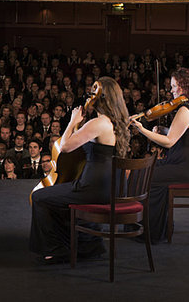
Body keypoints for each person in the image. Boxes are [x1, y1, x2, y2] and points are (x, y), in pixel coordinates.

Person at [30, 77, 130, 264]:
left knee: (40, 197)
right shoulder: (118, 123)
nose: (90, 95)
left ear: (101, 98)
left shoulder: (97, 124)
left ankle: (57, 249)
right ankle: (88, 244)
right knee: (59, 195)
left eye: (94, 91)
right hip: (113, 187)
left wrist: (72, 120)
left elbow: (66, 147)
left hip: (93, 189)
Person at [131, 68, 189, 243]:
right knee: (144, 170)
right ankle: (150, 225)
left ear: (183, 86)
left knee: (145, 176)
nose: (171, 90)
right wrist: (165, 130)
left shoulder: (185, 111)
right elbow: (187, 137)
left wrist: (142, 129)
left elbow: (169, 142)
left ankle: (151, 231)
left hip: (185, 169)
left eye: (174, 86)